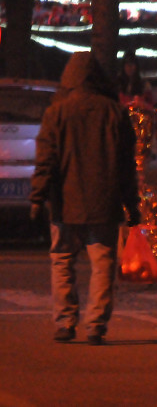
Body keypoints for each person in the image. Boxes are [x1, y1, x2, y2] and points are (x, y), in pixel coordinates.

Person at [30, 52, 141, 345]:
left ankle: (65, 322)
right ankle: (95, 325)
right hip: (104, 202)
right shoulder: (115, 113)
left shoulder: (57, 112)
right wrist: (132, 205)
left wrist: (37, 197)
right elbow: (126, 165)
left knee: (62, 260)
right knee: (102, 263)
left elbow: (46, 159)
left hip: (65, 203)